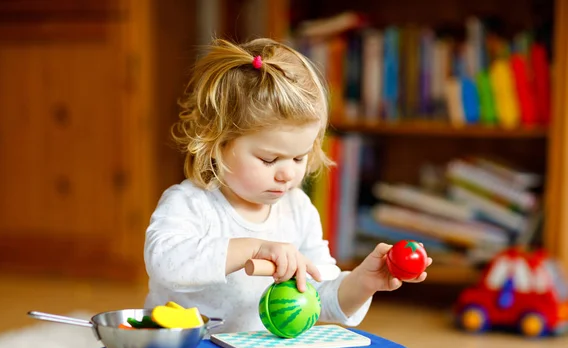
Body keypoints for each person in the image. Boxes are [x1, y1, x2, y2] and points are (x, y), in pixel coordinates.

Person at [143, 37, 431, 333]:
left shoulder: (298, 208)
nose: (286, 175)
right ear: (217, 143)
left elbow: (322, 298)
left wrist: (364, 282)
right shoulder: (190, 203)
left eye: (298, 158)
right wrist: (254, 248)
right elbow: (165, 262)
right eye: (269, 160)